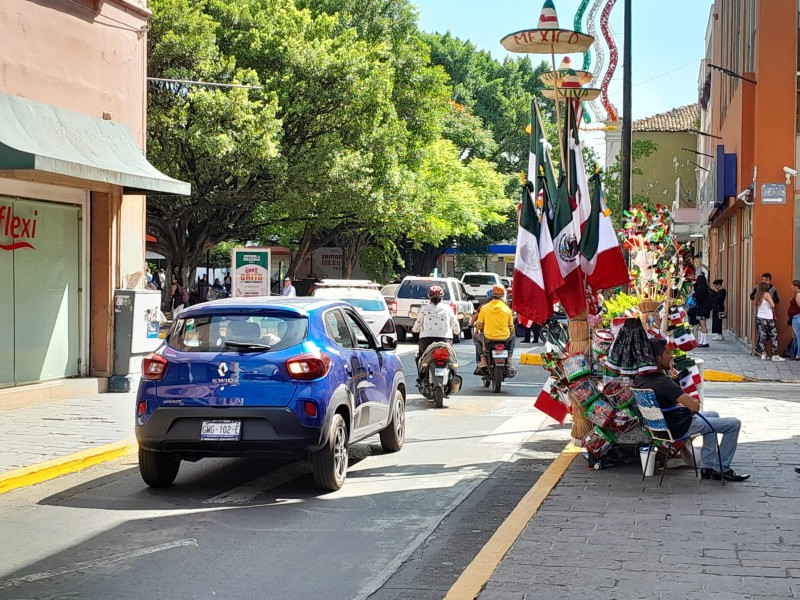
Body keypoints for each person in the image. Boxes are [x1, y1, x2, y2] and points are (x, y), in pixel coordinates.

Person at [634, 338, 750, 482]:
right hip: (679, 426)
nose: (671, 356)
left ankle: (707, 467)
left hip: (661, 425)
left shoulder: (639, 379)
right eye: (668, 353)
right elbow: (695, 406)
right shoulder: (663, 382)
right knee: (734, 424)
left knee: (713, 415)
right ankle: (723, 468)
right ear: (658, 358)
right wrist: (689, 398)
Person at [411, 285, 460, 364]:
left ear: (429, 296)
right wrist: (457, 332)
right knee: (452, 359)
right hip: (445, 340)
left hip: (426, 340)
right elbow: (455, 324)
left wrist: (414, 331)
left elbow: (418, 324)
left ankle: (421, 375)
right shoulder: (448, 309)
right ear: (442, 297)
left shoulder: (424, 309)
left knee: (420, 358)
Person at [475, 284, 515, 370]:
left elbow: (479, 324)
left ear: (492, 294)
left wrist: (475, 331)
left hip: (488, 337)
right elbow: (511, 326)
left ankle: (482, 359)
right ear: (503, 296)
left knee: (475, 337)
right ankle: (509, 358)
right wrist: (512, 332)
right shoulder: (507, 309)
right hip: (505, 337)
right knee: (513, 336)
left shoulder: (484, 308)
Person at [753, 281, 784, 361]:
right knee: (774, 335)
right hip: (768, 318)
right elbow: (773, 305)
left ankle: (763, 353)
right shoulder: (767, 294)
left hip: (760, 317)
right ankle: (775, 354)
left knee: (762, 335)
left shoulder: (758, 295)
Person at [693, 274, 713, 347]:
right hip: (705, 309)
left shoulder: (701, 289)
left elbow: (698, 299)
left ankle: (705, 342)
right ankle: (702, 341)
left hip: (701, 309)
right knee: (702, 325)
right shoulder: (706, 288)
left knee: (703, 325)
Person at [788, 280, 800, 361]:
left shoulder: (798, 295)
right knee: (796, 337)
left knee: (798, 336)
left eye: (792, 285)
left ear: (796, 287)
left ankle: (798, 355)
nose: (791, 286)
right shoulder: (795, 294)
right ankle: (796, 353)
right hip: (794, 317)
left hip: (797, 317)